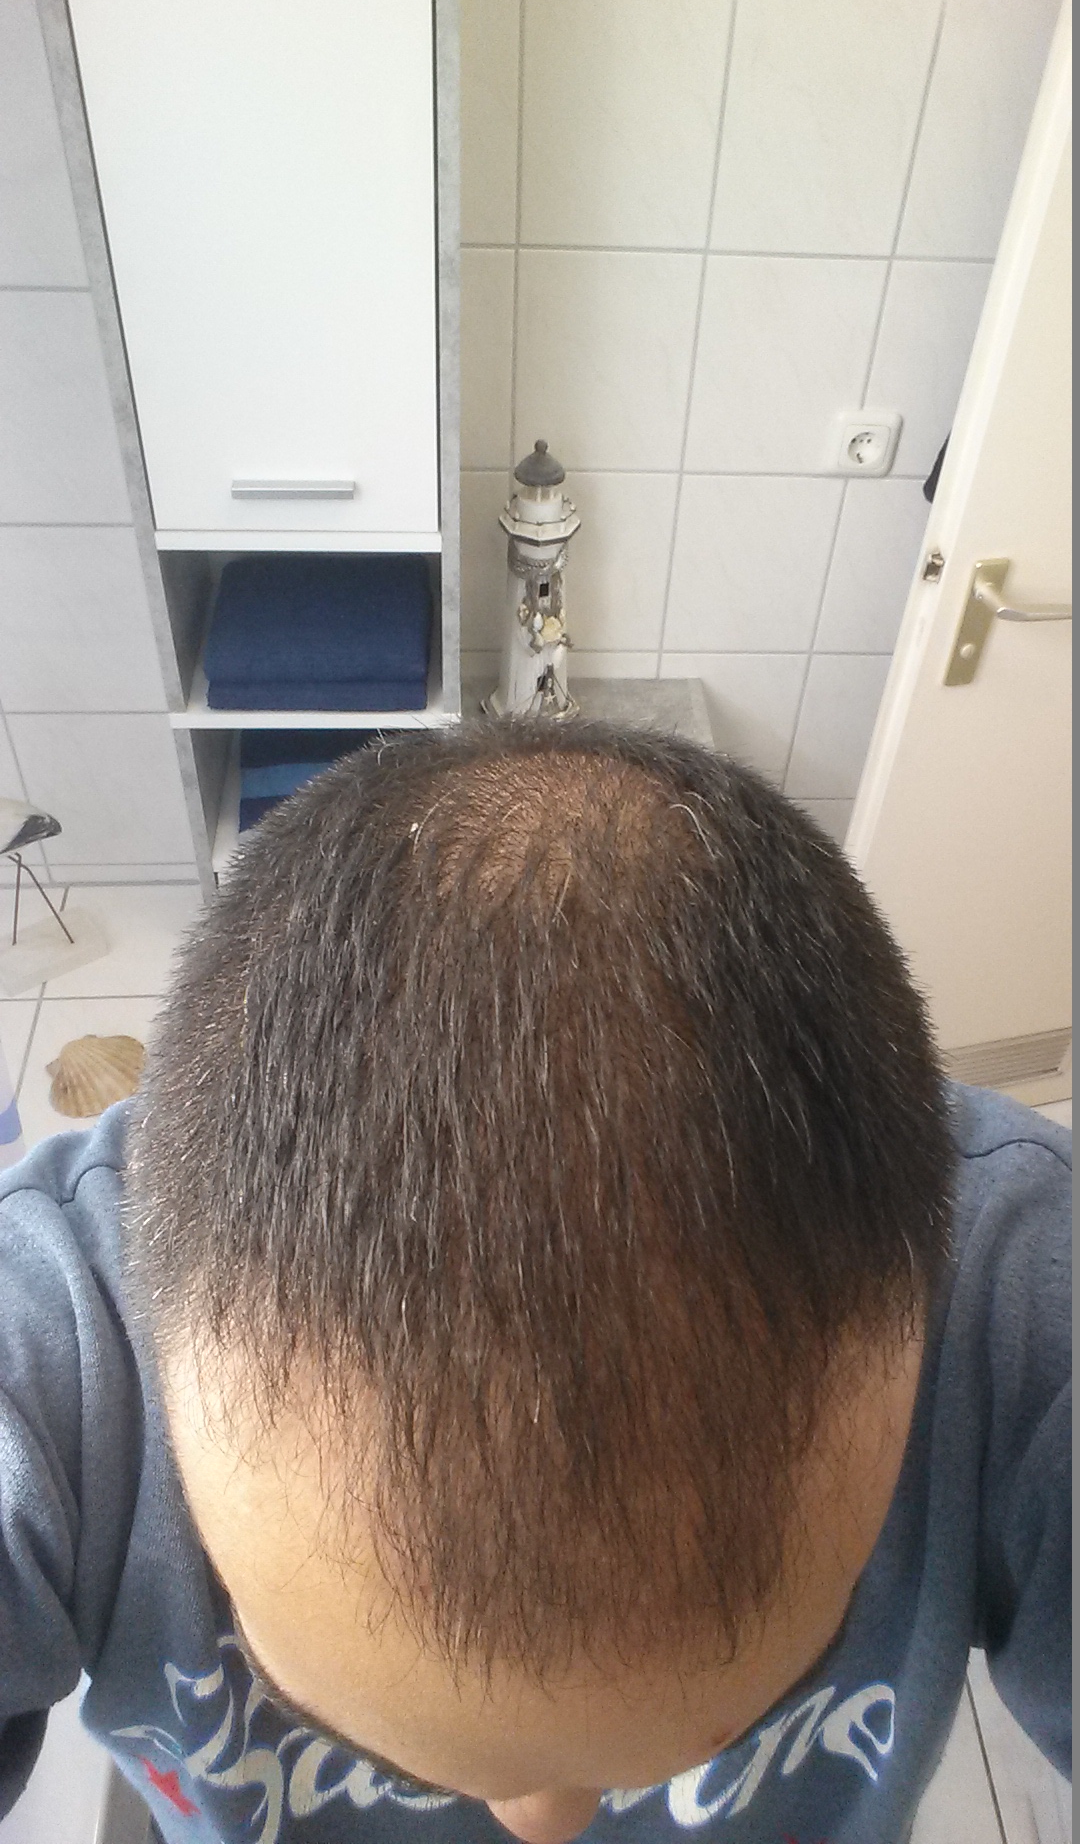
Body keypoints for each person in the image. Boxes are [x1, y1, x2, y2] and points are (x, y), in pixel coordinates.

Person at [0, 719, 1070, 1844]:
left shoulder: (1022, 1314)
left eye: (746, 1718)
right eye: (346, 1730)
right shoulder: (49, 1365)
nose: (544, 1827)